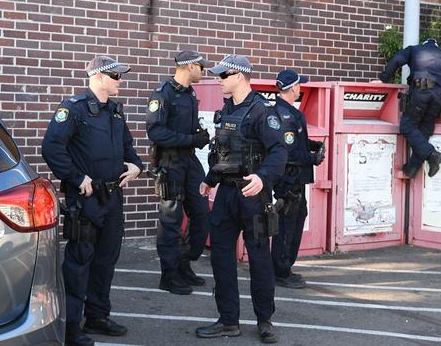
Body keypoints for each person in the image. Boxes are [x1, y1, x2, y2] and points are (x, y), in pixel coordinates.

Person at [42, 55, 144, 346]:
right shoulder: (73, 109)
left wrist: (136, 165)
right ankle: (72, 325)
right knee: (78, 263)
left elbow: (128, 147)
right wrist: (76, 178)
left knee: (106, 260)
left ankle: (98, 315)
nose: (120, 81)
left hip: (113, 198)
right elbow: (52, 147)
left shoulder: (115, 111)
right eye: (115, 76)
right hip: (86, 200)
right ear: (99, 77)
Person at [195, 55, 287, 344]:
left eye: (223, 76)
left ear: (240, 76)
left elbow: (278, 152)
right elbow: (223, 154)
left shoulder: (262, 111)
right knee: (221, 258)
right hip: (226, 195)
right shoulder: (225, 111)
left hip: (253, 196)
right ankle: (228, 320)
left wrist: (262, 178)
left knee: (259, 259)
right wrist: (209, 180)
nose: (219, 80)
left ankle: (264, 320)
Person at [146, 50, 211, 295]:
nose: (203, 71)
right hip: (170, 163)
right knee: (171, 221)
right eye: (201, 67)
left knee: (202, 214)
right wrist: (190, 139)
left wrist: (199, 137)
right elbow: (155, 132)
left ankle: (184, 263)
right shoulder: (163, 94)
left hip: (189, 162)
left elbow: (188, 131)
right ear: (190, 66)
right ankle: (169, 275)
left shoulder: (190, 94)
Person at [272, 69, 325, 289]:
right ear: (292, 88)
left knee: (296, 219)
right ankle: (281, 270)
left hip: (295, 180)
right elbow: (289, 153)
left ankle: (285, 267)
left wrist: (313, 145)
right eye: (298, 85)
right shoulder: (283, 115)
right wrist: (313, 157)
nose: (300, 88)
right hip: (289, 181)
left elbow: (295, 143)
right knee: (286, 225)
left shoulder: (290, 113)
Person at [375, 38, 441, 178]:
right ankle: (411, 169)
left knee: (407, 126)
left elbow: (396, 60)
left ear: (424, 44)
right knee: (424, 130)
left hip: (422, 89)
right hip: (440, 96)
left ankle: (432, 155)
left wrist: (383, 79)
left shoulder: (414, 49)